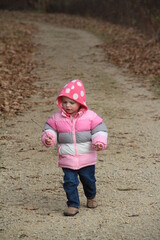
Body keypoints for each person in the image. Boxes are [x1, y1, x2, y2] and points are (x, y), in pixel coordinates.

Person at [41, 79, 108, 216]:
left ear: (80, 103)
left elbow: (99, 129)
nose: (68, 105)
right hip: (68, 157)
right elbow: (49, 128)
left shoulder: (90, 116)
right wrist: (49, 137)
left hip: (86, 157)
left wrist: (99, 141)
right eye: (64, 102)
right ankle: (73, 204)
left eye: (72, 102)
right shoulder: (56, 118)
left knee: (88, 180)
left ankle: (91, 196)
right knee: (70, 182)